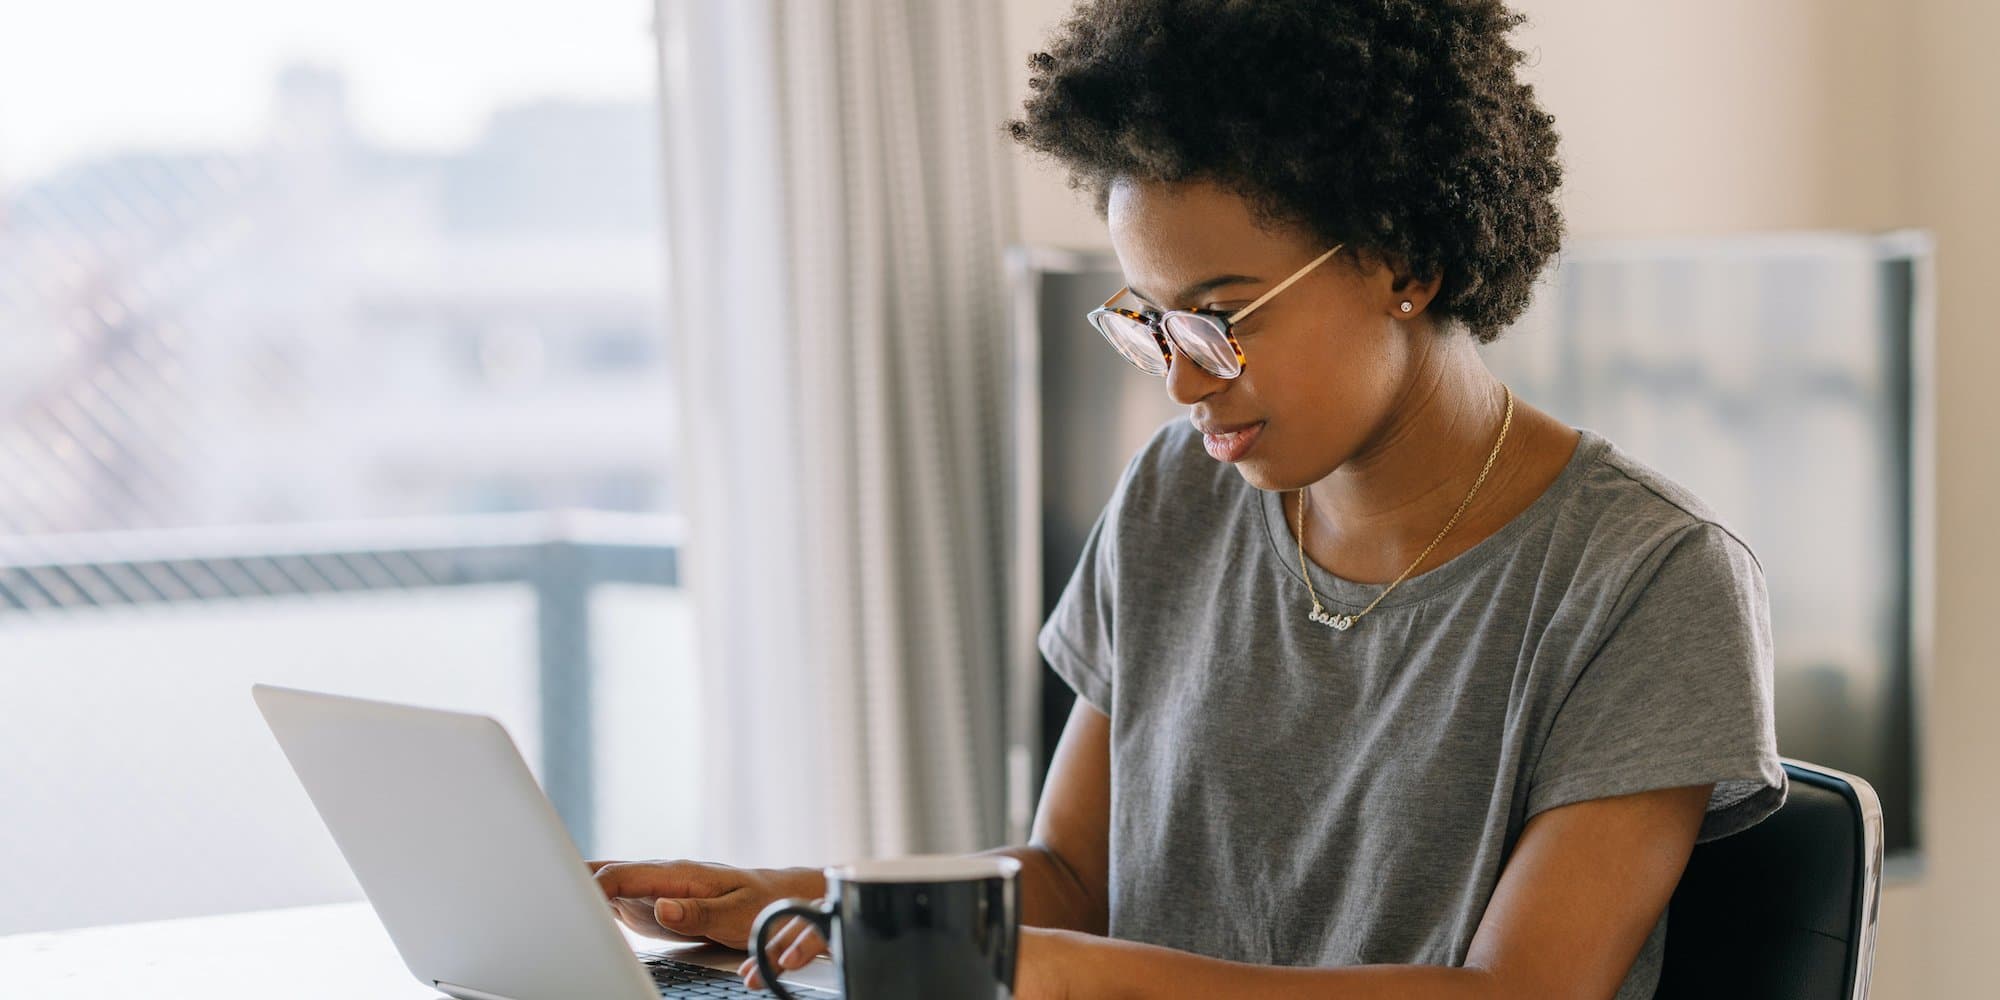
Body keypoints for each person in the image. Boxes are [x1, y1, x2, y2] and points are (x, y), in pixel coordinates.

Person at [592, 1, 1785, 996]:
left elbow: (1514, 995)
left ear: (1404, 260)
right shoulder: (1180, 492)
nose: (1180, 380)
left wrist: (1054, 974)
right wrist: (811, 905)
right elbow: (1070, 876)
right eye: (1149, 322)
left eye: (1217, 316)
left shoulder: (1647, 578)